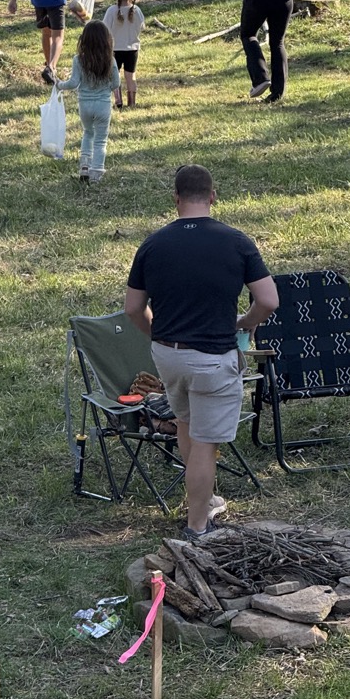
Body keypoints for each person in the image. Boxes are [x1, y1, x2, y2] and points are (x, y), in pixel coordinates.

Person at [124, 165, 278, 539]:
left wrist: (156, 334)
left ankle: (203, 500)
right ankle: (197, 525)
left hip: (169, 354)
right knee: (206, 443)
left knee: (187, 425)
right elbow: (268, 301)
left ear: (175, 198)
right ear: (212, 195)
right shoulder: (236, 242)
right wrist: (244, 322)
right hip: (213, 358)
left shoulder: (153, 244)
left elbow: (132, 308)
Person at [56, 19, 120, 183]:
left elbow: (73, 83)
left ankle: (84, 165)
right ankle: (96, 173)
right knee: (100, 140)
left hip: (84, 104)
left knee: (87, 133)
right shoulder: (110, 60)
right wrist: (108, 87)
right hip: (103, 105)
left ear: (83, 40)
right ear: (106, 40)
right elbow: (116, 83)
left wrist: (59, 84)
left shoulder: (79, 60)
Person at [102, 0, 145, 109]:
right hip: (132, 49)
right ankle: (132, 102)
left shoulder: (112, 11)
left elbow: (105, 29)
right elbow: (142, 27)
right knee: (130, 76)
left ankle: (118, 101)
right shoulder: (137, 10)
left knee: (115, 76)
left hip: (115, 49)